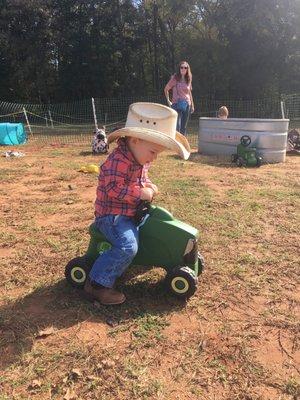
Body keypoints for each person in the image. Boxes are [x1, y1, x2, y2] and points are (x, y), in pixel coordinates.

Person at [84, 102, 191, 305]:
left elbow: (143, 180)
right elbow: (113, 189)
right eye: (153, 152)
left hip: (131, 211)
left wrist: (150, 186)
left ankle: (157, 256)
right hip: (112, 216)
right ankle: (97, 284)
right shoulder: (117, 160)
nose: (154, 158)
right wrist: (140, 193)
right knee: (127, 247)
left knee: (158, 223)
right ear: (135, 140)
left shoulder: (139, 159)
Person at [164, 61, 194, 135]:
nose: (183, 69)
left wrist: (192, 105)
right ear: (179, 68)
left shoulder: (188, 78)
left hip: (187, 104)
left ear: (187, 69)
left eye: (185, 67)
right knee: (177, 126)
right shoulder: (175, 78)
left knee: (184, 127)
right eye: (182, 67)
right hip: (176, 104)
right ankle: (176, 144)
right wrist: (168, 101)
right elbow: (166, 89)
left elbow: (189, 92)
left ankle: (182, 144)